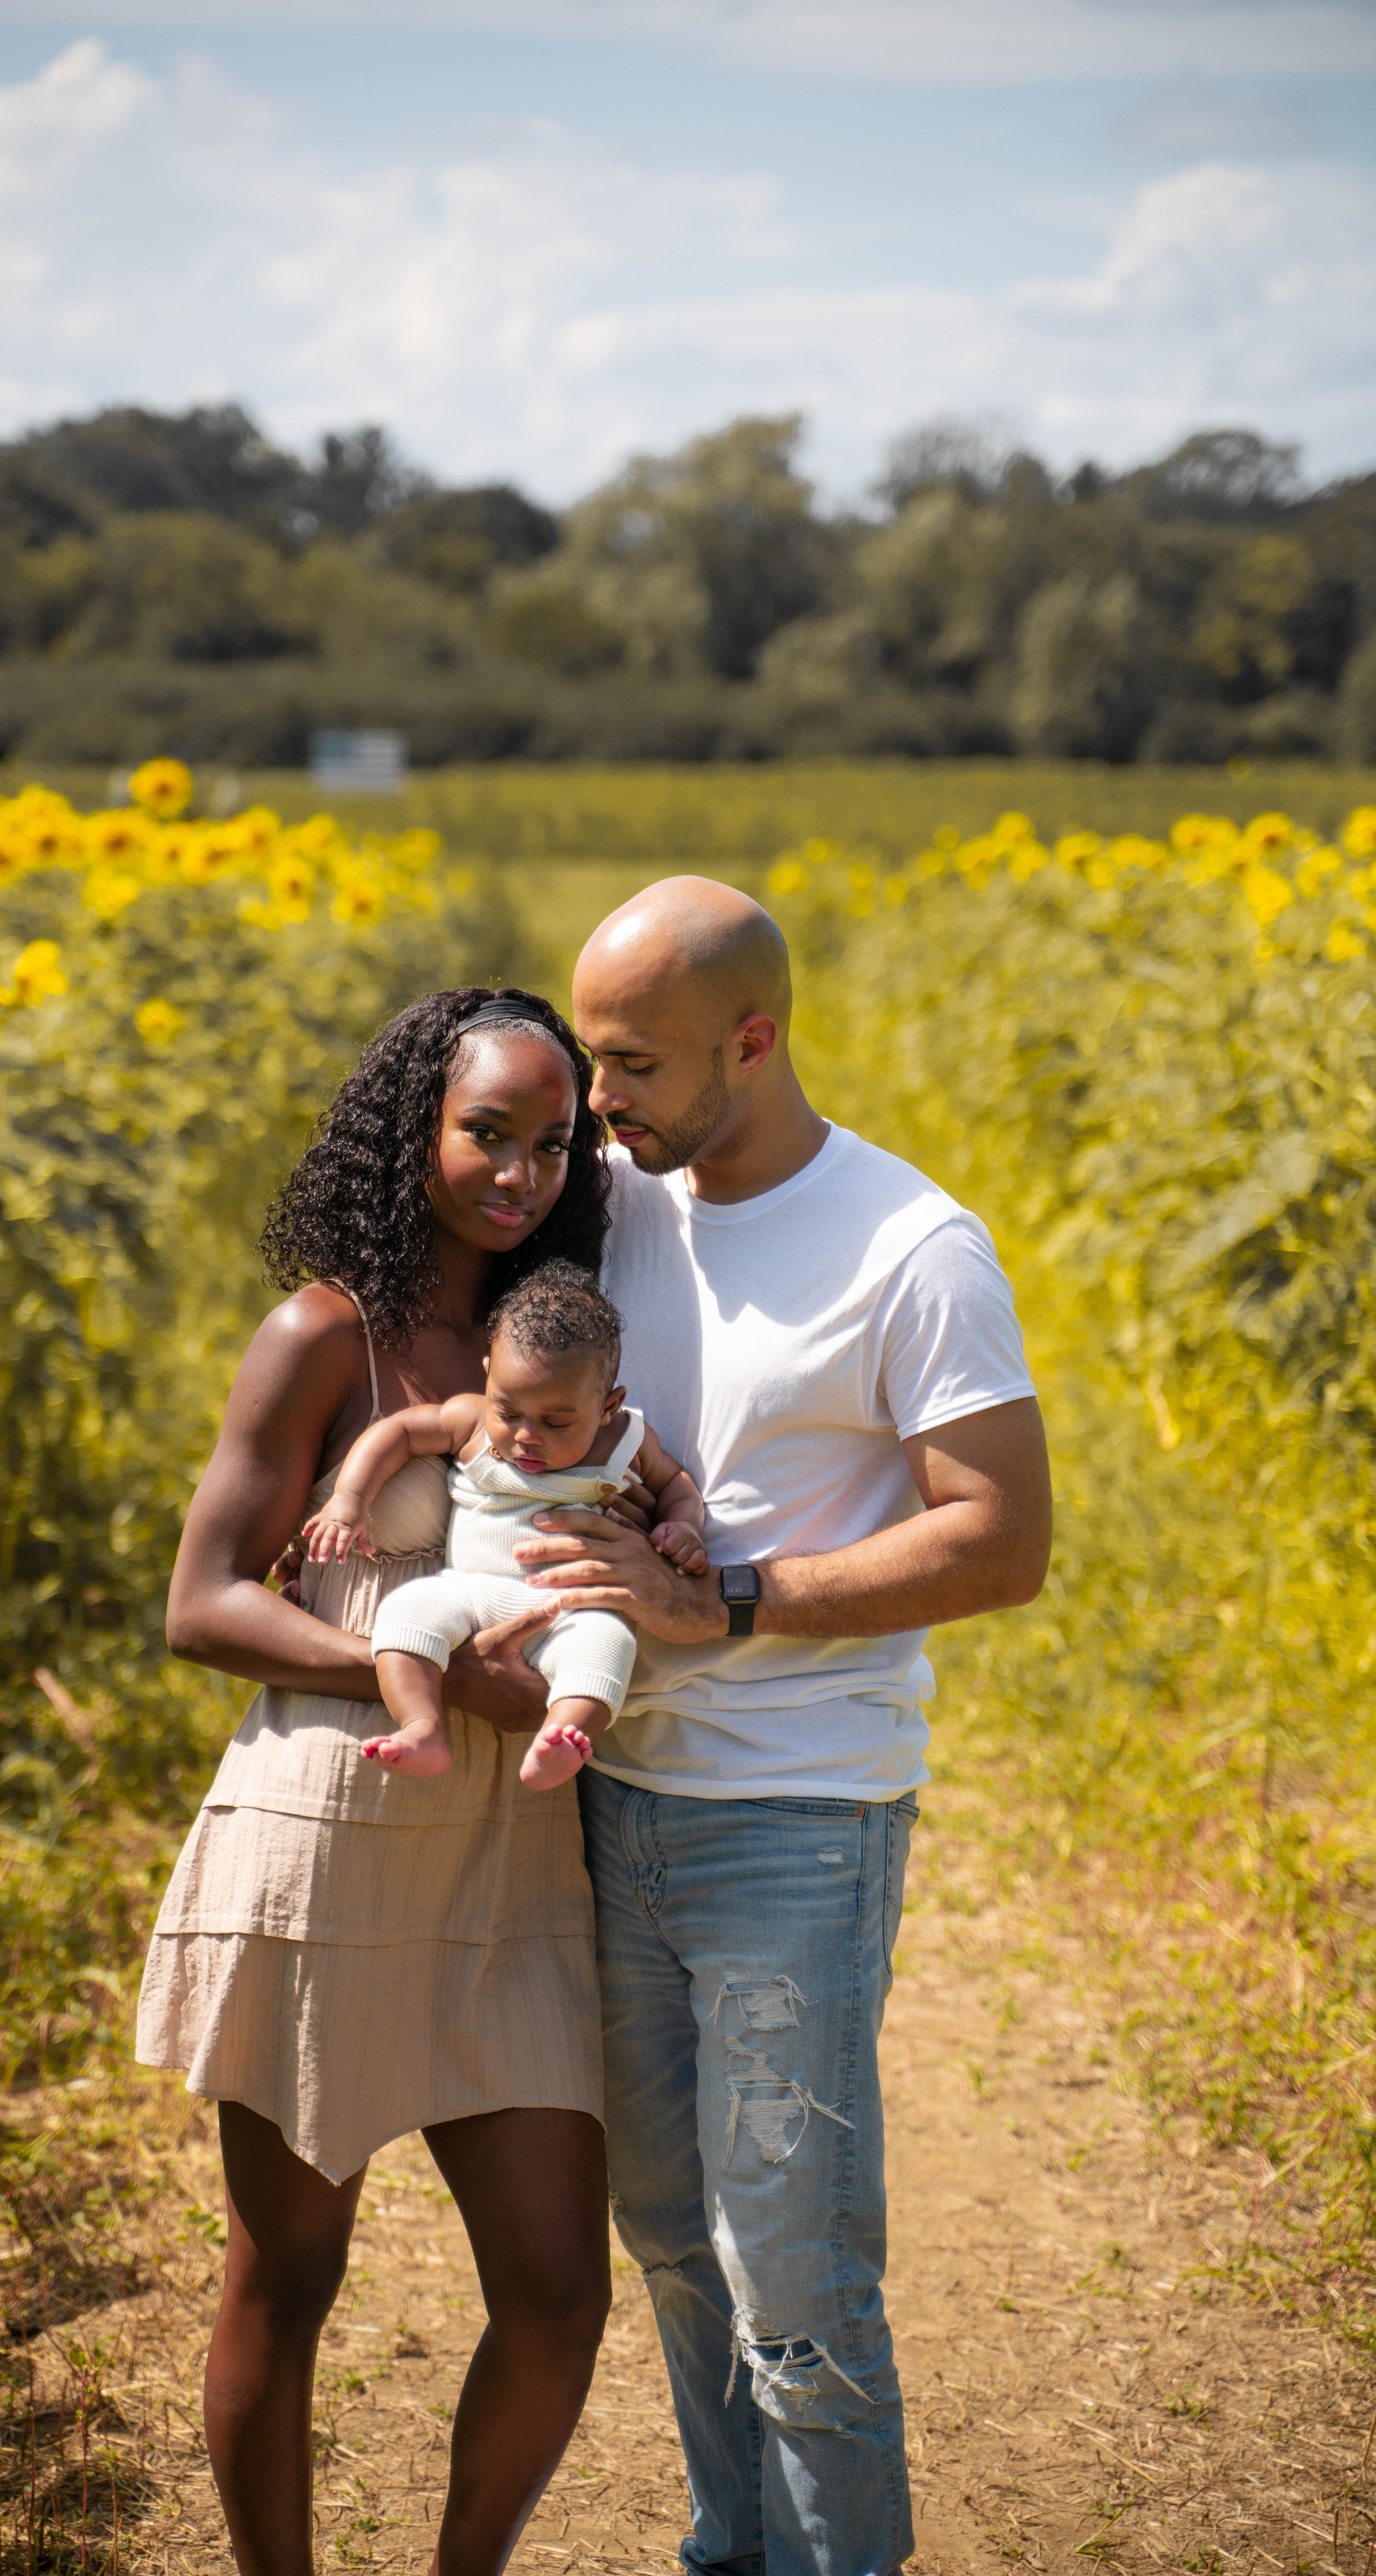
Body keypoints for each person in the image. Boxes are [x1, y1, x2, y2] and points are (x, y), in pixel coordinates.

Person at [514, 879, 1052, 2576]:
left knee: (795, 2285)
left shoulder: (910, 1246)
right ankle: (723, 2551)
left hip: (795, 1817)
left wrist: (732, 1602)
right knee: (671, 2239)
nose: (601, 1103)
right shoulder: (608, 1206)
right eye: (589, 1060)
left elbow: (1000, 1536)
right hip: (611, 1804)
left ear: (753, 1041)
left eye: (633, 1064)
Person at [137, 987, 620, 2576]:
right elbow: (203, 1600)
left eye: (554, 1142)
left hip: (507, 1862)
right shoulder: (321, 1332)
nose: (519, 1170)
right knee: (289, 2272)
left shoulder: (565, 1333)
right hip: (326, 1832)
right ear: (413, 1123)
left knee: (556, 2290)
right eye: (486, 1130)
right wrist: (424, 1675)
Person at [303, 1258, 707, 1787]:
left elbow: (678, 1484)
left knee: (608, 1645)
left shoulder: (626, 1442)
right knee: (404, 1613)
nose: (526, 1436)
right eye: (510, 1411)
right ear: (488, 1370)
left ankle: (559, 1739)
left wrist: (684, 1527)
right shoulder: (471, 1420)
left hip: (573, 1609)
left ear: (609, 1406)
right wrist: (349, 1501)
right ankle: (422, 1725)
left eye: (556, 1422)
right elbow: (396, 1433)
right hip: (469, 1592)